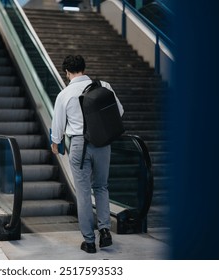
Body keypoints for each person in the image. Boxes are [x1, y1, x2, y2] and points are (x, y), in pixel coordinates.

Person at [51, 55, 124, 253]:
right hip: (103, 143)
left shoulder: (64, 94)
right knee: (101, 187)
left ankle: (90, 242)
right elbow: (120, 111)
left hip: (79, 145)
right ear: (84, 68)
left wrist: (56, 143)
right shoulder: (104, 86)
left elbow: (57, 126)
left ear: (66, 73)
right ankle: (105, 231)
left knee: (83, 193)